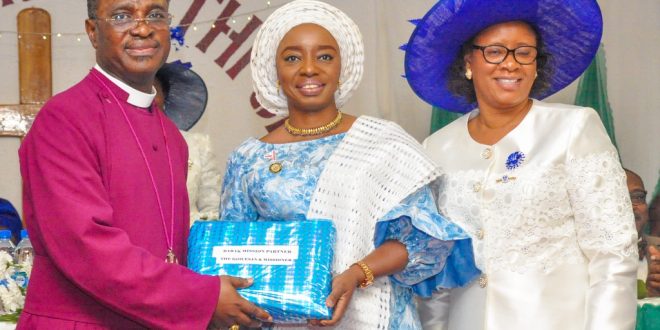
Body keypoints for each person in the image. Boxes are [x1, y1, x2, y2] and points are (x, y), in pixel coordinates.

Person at [219, 0, 479, 328]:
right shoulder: (249, 158)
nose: (309, 68)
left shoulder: (384, 140)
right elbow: (230, 257)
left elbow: (422, 238)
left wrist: (358, 273)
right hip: (282, 321)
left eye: (325, 56)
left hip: (375, 313)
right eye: (292, 57)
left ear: (343, 68)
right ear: (275, 71)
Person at [17, 0, 270, 328]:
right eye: (121, 16)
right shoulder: (64, 118)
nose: (142, 27)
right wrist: (202, 295)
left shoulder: (170, 135)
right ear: (93, 32)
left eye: (155, 14)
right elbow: (86, 247)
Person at [404, 0, 638, 329]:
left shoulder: (573, 128)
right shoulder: (437, 147)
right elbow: (437, 269)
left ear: (537, 64)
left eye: (524, 52)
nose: (511, 64)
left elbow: (613, 253)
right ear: (468, 61)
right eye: (495, 51)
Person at [154, 61, 222, 225]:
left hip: (189, 244)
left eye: (152, 90)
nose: (146, 96)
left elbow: (213, 210)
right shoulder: (112, 144)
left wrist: (187, 225)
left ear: (165, 97)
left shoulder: (197, 145)